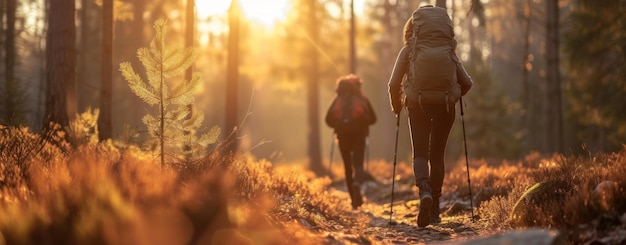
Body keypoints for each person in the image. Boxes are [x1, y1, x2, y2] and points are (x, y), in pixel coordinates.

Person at [387, 5, 473, 227]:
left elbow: (393, 83)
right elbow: (467, 83)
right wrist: (452, 95)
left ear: (413, 30)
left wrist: (397, 106)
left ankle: (424, 191)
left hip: (418, 106)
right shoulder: (449, 51)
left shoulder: (409, 50)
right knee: (437, 155)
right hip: (445, 106)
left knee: (420, 153)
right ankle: (434, 208)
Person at [325, 74, 377, 209]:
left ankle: (354, 200)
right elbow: (373, 119)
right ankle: (357, 185)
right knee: (358, 164)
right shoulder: (362, 99)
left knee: (348, 167)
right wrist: (362, 124)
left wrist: (338, 124)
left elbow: (327, 119)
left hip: (342, 136)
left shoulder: (338, 99)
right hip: (359, 135)